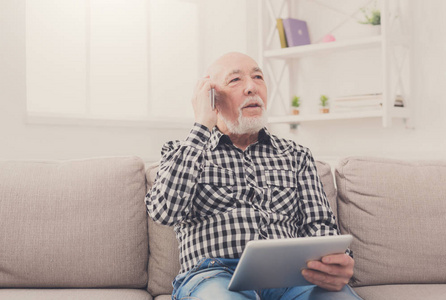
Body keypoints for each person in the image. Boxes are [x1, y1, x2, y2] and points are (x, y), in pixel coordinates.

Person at [145, 52, 361, 300]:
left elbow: (321, 227)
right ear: (211, 97)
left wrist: (335, 263)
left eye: (258, 77)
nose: (251, 87)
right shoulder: (182, 152)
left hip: (293, 278)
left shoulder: (296, 155)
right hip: (213, 277)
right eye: (235, 80)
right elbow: (164, 212)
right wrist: (202, 124)